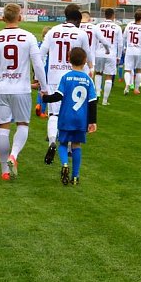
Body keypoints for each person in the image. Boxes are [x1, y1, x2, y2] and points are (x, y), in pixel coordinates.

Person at [0, 3, 49, 181]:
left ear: (3, 18)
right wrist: (44, 87)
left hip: (2, 89)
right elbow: (38, 65)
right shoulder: (28, 37)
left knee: (3, 129)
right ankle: (14, 155)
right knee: (22, 125)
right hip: (21, 89)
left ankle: (4, 170)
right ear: (19, 17)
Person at [40, 3, 92, 164]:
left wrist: (40, 78)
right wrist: (90, 72)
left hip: (54, 76)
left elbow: (41, 55)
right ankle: (70, 148)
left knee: (54, 114)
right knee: (72, 111)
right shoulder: (80, 33)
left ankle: (52, 141)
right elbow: (88, 57)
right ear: (77, 20)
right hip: (73, 77)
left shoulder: (52, 31)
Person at [40, 47, 98, 185]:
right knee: (77, 145)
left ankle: (65, 164)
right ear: (85, 61)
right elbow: (93, 101)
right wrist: (92, 121)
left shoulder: (65, 77)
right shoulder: (88, 80)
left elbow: (58, 96)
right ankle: (76, 176)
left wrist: (45, 98)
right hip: (81, 119)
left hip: (66, 117)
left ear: (69, 60)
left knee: (63, 143)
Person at [94, 7, 123, 105]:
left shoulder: (98, 26)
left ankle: (97, 93)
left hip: (98, 53)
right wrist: (119, 56)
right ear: (113, 16)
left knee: (98, 73)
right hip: (111, 54)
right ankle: (105, 100)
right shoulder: (117, 27)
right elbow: (120, 44)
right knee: (109, 76)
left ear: (104, 15)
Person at [123, 9, 141, 95]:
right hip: (139, 51)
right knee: (138, 70)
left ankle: (127, 84)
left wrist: (124, 47)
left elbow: (124, 37)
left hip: (130, 50)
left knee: (127, 70)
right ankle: (136, 89)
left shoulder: (129, 25)